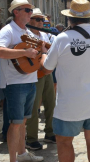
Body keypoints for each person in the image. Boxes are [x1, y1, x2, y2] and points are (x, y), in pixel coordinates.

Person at [40, 0, 90, 162]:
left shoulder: (61, 38)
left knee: (64, 141)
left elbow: (47, 69)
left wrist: (43, 55)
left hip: (69, 103)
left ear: (70, 19)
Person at [0, 0, 43, 162]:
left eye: (31, 10)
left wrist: (42, 51)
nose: (31, 13)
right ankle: (13, 160)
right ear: (16, 12)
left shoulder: (27, 32)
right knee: (15, 123)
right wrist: (24, 53)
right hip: (15, 83)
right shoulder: (8, 30)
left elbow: (35, 53)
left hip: (29, 80)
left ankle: (22, 155)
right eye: (27, 10)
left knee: (22, 122)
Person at [25, 9, 56, 150]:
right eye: (37, 19)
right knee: (34, 106)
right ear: (30, 19)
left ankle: (50, 132)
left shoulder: (45, 34)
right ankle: (31, 138)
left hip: (46, 70)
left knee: (51, 102)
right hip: (34, 73)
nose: (40, 22)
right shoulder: (26, 34)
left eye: (41, 20)